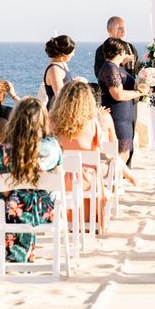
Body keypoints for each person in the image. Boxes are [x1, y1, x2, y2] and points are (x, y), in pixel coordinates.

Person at [0, 98, 63, 263]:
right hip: (46, 212)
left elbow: (3, 190)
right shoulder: (52, 146)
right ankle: (24, 254)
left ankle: (12, 254)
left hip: (12, 213)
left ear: (16, 120)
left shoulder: (5, 149)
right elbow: (58, 177)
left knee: (2, 199)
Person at [50, 81, 108, 232]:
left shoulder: (51, 122)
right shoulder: (92, 123)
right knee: (95, 172)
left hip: (58, 177)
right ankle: (89, 220)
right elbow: (99, 148)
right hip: (85, 181)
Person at [94, 16, 139, 167]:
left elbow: (137, 70)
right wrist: (121, 64)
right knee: (118, 142)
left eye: (124, 27)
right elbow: (102, 74)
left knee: (129, 137)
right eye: (120, 28)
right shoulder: (102, 51)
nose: (124, 31)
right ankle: (119, 171)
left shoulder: (131, 47)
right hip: (115, 102)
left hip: (130, 100)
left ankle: (126, 170)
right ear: (110, 30)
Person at [97, 38, 146, 166]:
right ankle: (111, 182)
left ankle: (113, 181)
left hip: (124, 116)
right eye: (123, 52)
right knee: (120, 154)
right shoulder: (110, 68)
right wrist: (139, 93)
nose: (125, 54)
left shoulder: (115, 67)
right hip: (117, 116)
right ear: (119, 52)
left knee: (124, 153)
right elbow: (117, 94)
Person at [43, 35, 76, 109]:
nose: (73, 55)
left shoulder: (63, 64)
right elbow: (59, 96)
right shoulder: (54, 69)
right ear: (64, 54)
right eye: (72, 52)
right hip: (56, 113)